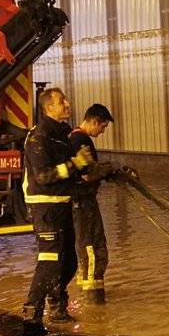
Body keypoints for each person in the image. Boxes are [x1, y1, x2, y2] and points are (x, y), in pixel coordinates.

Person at [21, 87, 95, 336]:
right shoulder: (39, 137)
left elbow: (71, 169)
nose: (67, 103)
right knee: (50, 263)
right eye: (61, 101)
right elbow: (44, 176)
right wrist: (74, 164)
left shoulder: (63, 133)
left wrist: (85, 166)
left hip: (63, 204)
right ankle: (31, 316)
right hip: (45, 207)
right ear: (48, 108)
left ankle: (58, 311)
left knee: (69, 262)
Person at [68, 103, 114, 305]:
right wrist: (106, 172)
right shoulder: (80, 140)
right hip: (82, 203)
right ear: (94, 121)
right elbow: (85, 175)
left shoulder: (75, 138)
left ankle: (89, 296)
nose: (102, 131)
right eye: (102, 126)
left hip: (82, 202)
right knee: (92, 249)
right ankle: (94, 302)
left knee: (89, 249)